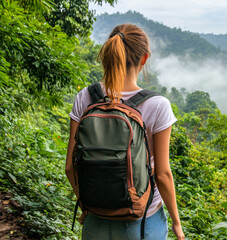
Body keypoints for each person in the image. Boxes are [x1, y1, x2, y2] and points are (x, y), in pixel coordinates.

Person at [65, 23, 185, 240]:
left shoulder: (85, 97)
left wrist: (86, 207)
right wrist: (177, 223)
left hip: (96, 218)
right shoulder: (158, 105)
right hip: (142, 221)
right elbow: (162, 174)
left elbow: (70, 166)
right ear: (144, 58)